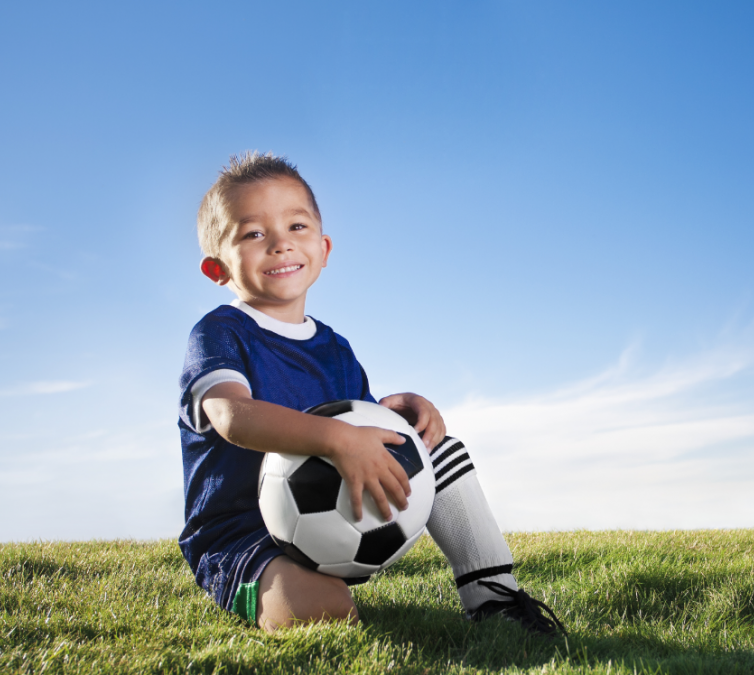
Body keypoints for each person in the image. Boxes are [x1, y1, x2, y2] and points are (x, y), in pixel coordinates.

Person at [178, 152, 563, 635]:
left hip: (331, 519)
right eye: (254, 234)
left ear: (323, 247)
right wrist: (337, 439)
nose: (280, 244)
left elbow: (359, 426)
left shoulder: (334, 348)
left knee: (430, 448)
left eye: (297, 226)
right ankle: (255, 590)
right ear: (218, 270)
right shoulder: (220, 332)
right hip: (242, 535)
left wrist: (399, 413)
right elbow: (232, 416)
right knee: (325, 613)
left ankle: (493, 596)